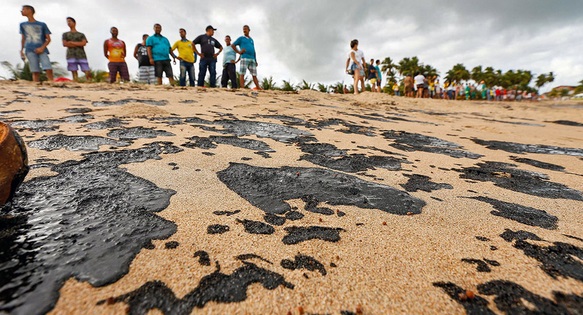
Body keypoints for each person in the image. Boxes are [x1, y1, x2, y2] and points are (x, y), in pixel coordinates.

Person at [19, 5, 53, 82]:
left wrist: (42, 48)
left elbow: (48, 39)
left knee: (47, 66)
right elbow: (23, 38)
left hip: (42, 49)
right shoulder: (22, 25)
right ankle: (36, 85)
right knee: (34, 70)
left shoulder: (42, 24)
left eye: (23, 9)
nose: (22, 11)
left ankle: (51, 82)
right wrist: (22, 50)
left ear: (29, 10)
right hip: (29, 49)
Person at [232, 25, 262, 90]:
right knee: (242, 73)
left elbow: (254, 50)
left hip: (252, 58)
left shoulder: (251, 40)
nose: (244, 30)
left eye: (245, 29)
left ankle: (258, 87)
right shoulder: (241, 38)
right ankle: (242, 88)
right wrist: (239, 52)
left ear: (249, 30)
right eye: (243, 29)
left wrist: (255, 60)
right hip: (244, 57)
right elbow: (233, 45)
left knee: (254, 74)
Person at [62, 17, 91, 82]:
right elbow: (65, 44)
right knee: (73, 70)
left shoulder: (81, 34)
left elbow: (83, 43)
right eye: (67, 22)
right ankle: (75, 81)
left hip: (81, 54)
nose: (68, 23)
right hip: (71, 54)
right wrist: (78, 43)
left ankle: (89, 81)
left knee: (86, 69)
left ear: (74, 23)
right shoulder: (65, 34)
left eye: (70, 21)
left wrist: (71, 42)